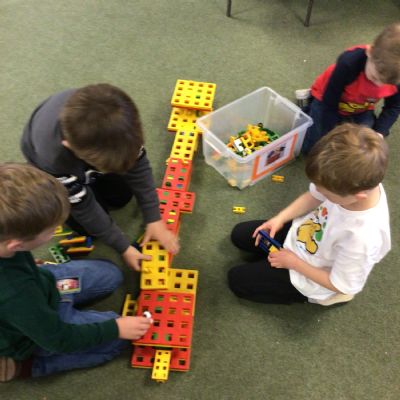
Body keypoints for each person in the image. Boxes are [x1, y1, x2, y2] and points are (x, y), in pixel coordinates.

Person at [0, 163, 152, 382]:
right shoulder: (15, 294)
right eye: (51, 230)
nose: (56, 231)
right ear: (16, 244)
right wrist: (115, 328)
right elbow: (59, 339)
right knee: (119, 338)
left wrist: (31, 266)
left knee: (111, 274)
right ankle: (26, 366)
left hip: (42, 287)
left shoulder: (8, 246)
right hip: (31, 334)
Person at [21, 83, 179, 271]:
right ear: (70, 146)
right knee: (87, 228)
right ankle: (85, 181)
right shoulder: (53, 159)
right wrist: (123, 247)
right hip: (54, 167)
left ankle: (96, 177)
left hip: (87, 151)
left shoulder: (124, 129)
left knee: (121, 197)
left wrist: (154, 217)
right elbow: (85, 208)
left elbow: (139, 168)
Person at [228, 123, 391, 306]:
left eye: (327, 194)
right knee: (239, 234)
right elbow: (313, 196)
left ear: (358, 196)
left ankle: (317, 297)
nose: (320, 192)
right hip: (304, 236)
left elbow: (343, 285)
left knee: (236, 280)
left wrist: (293, 263)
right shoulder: (357, 180)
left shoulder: (362, 239)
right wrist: (280, 219)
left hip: (311, 276)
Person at [300, 22, 400, 154]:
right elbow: (329, 102)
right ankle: (309, 108)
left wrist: (379, 132)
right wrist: (331, 130)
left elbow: (393, 107)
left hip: (361, 106)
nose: (378, 86)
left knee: (364, 142)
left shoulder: (396, 77)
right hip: (327, 98)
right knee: (316, 140)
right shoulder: (348, 63)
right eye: (374, 77)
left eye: (386, 83)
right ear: (369, 52)